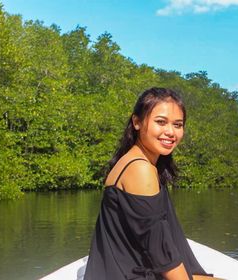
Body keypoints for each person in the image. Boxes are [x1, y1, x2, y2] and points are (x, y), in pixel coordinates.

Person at [84, 88, 214, 280]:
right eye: (161, 122)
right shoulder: (140, 169)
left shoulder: (137, 161)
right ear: (137, 122)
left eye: (178, 125)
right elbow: (161, 254)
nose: (170, 132)